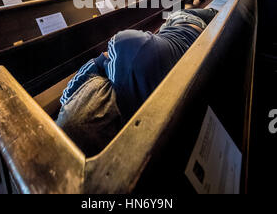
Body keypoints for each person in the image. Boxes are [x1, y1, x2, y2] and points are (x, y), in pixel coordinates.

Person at [57, 8, 218, 155]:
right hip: (188, 27)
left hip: (187, 38)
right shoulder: (128, 49)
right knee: (180, 14)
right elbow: (99, 62)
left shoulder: (136, 122)